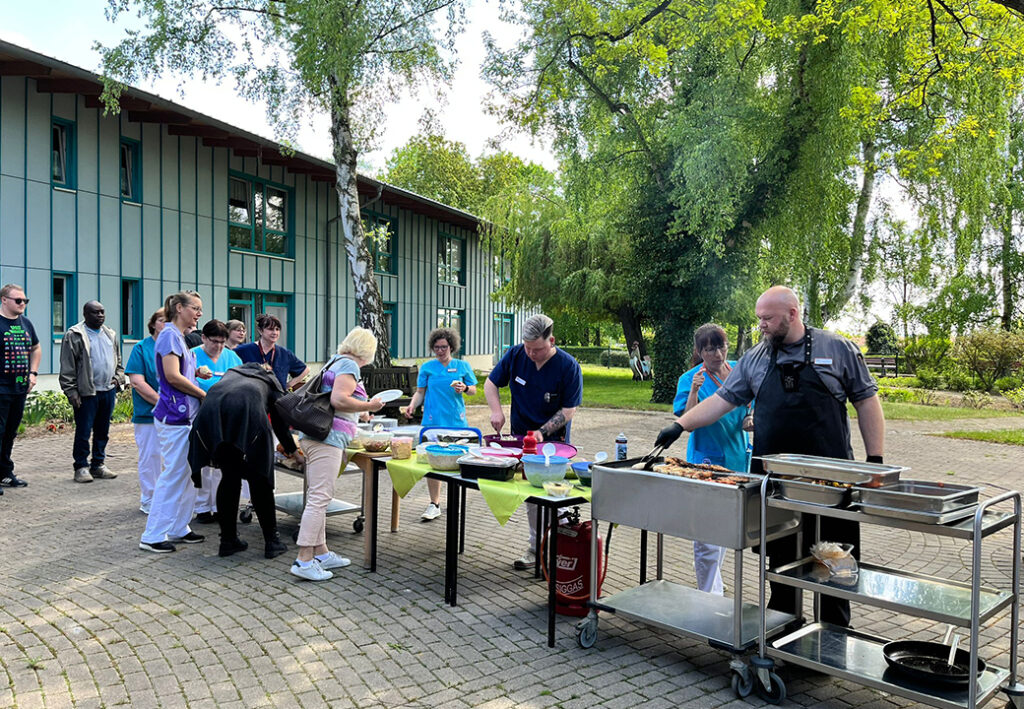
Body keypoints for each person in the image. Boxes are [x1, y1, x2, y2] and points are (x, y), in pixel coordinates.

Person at [656, 286, 885, 626]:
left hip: (832, 481)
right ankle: (782, 631)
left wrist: (875, 459)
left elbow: (867, 401)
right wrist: (680, 425)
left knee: (835, 561)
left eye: (767, 318)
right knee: (780, 562)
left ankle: (835, 635)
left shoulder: (836, 349)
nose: (761, 325)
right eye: (758, 318)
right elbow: (722, 402)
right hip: (776, 483)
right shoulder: (756, 359)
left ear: (792, 314)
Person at [484, 314, 583, 570]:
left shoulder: (568, 366)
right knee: (531, 497)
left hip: (553, 444)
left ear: (551, 340)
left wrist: (541, 432)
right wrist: (497, 411)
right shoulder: (516, 355)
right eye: (527, 347)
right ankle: (535, 548)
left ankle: (561, 547)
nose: (531, 353)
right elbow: (491, 384)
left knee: (553, 495)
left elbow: (569, 410)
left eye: (537, 349)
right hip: (520, 438)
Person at [291, 327, 383, 581]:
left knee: (316, 496)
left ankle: (321, 552)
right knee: (319, 499)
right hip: (327, 439)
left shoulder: (335, 361)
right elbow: (339, 400)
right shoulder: (350, 366)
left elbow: (339, 400)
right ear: (366, 350)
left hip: (315, 437)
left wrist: (362, 411)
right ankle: (304, 559)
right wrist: (369, 405)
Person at [672, 324, 750, 595]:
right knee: (706, 531)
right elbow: (687, 422)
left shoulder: (739, 370)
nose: (718, 354)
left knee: (728, 527)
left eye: (722, 347)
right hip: (705, 461)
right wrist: (694, 391)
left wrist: (753, 417)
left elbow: (755, 401)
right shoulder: (691, 378)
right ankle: (709, 593)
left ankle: (714, 578)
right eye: (710, 349)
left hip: (739, 457)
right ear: (699, 351)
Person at [188, 363, 296, 559]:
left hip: (211, 419)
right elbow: (280, 421)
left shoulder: (231, 375)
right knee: (260, 480)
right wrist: (292, 450)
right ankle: (272, 542)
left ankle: (228, 541)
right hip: (248, 416)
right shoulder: (269, 380)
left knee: (229, 476)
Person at [139, 291, 212, 553]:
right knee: (173, 475)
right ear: (179, 308)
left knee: (189, 474)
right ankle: (153, 535)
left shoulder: (179, 338)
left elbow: (181, 372)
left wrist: (196, 372)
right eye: (196, 308)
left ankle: (180, 527)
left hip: (185, 417)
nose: (199, 314)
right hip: (174, 417)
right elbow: (171, 375)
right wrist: (203, 393)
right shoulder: (170, 335)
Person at [402, 327, 478, 521]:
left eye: (443, 347)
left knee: (459, 462)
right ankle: (434, 503)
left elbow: (474, 391)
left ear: (451, 346)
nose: (440, 351)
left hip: (456, 421)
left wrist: (465, 387)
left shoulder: (462, 366)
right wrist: (412, 406)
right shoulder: (427, 367)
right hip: (433, 421)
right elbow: (420, 392)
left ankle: (456, 501)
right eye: (436, 347)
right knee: (434, 463)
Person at [59, 300, 126, 483]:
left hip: (108, 390)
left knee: (102, 430)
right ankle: (80, 467)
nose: (100, 316)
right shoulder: (75, 334)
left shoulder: (110, 334)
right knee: (83, 431)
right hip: (87, 392)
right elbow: (67, 366)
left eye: (102, 312)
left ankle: (98, 464)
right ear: (85, 314)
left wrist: (118, 379)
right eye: (95, 312)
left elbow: (118, 362)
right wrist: (71, 391)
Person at [191, 319, 243, 524]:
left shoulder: (232, 357)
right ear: (203, 338)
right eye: (214, 342)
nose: (219, 347)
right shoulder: (193, 355)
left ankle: (220, 506)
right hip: (201, 415)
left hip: (225, 416)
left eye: (223, 342)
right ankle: (202, 507)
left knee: (223, 463)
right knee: (204, 462)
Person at [0, 284, 41, 493]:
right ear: (4, 300)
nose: (22, 304)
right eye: (18, 300)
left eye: (25, 300)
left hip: (19, 388)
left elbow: (36, 347)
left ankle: (5, 473)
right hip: (1, 388)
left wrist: (32, 373)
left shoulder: (26, 324)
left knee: (10, 432)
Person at [125, 309, 166, 513]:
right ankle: (149, 499)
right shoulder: (142, 348)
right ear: (153, 324)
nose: (165, 324)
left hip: (175, 416)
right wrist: (162, 402)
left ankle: (168, 499)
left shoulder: (177, 347)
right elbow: (137, 382)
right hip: (148, 415)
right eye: (161, 320)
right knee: (151, 457)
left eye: (169, 321)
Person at [235, 313, 309, 391]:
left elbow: (305, 370)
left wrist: (288, 385)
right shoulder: (243, 350)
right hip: (252, 398)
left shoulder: (285, 354)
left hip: (277, 400)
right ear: (260, 331)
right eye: (270, 329)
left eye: (277, 329)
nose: (275, 333)